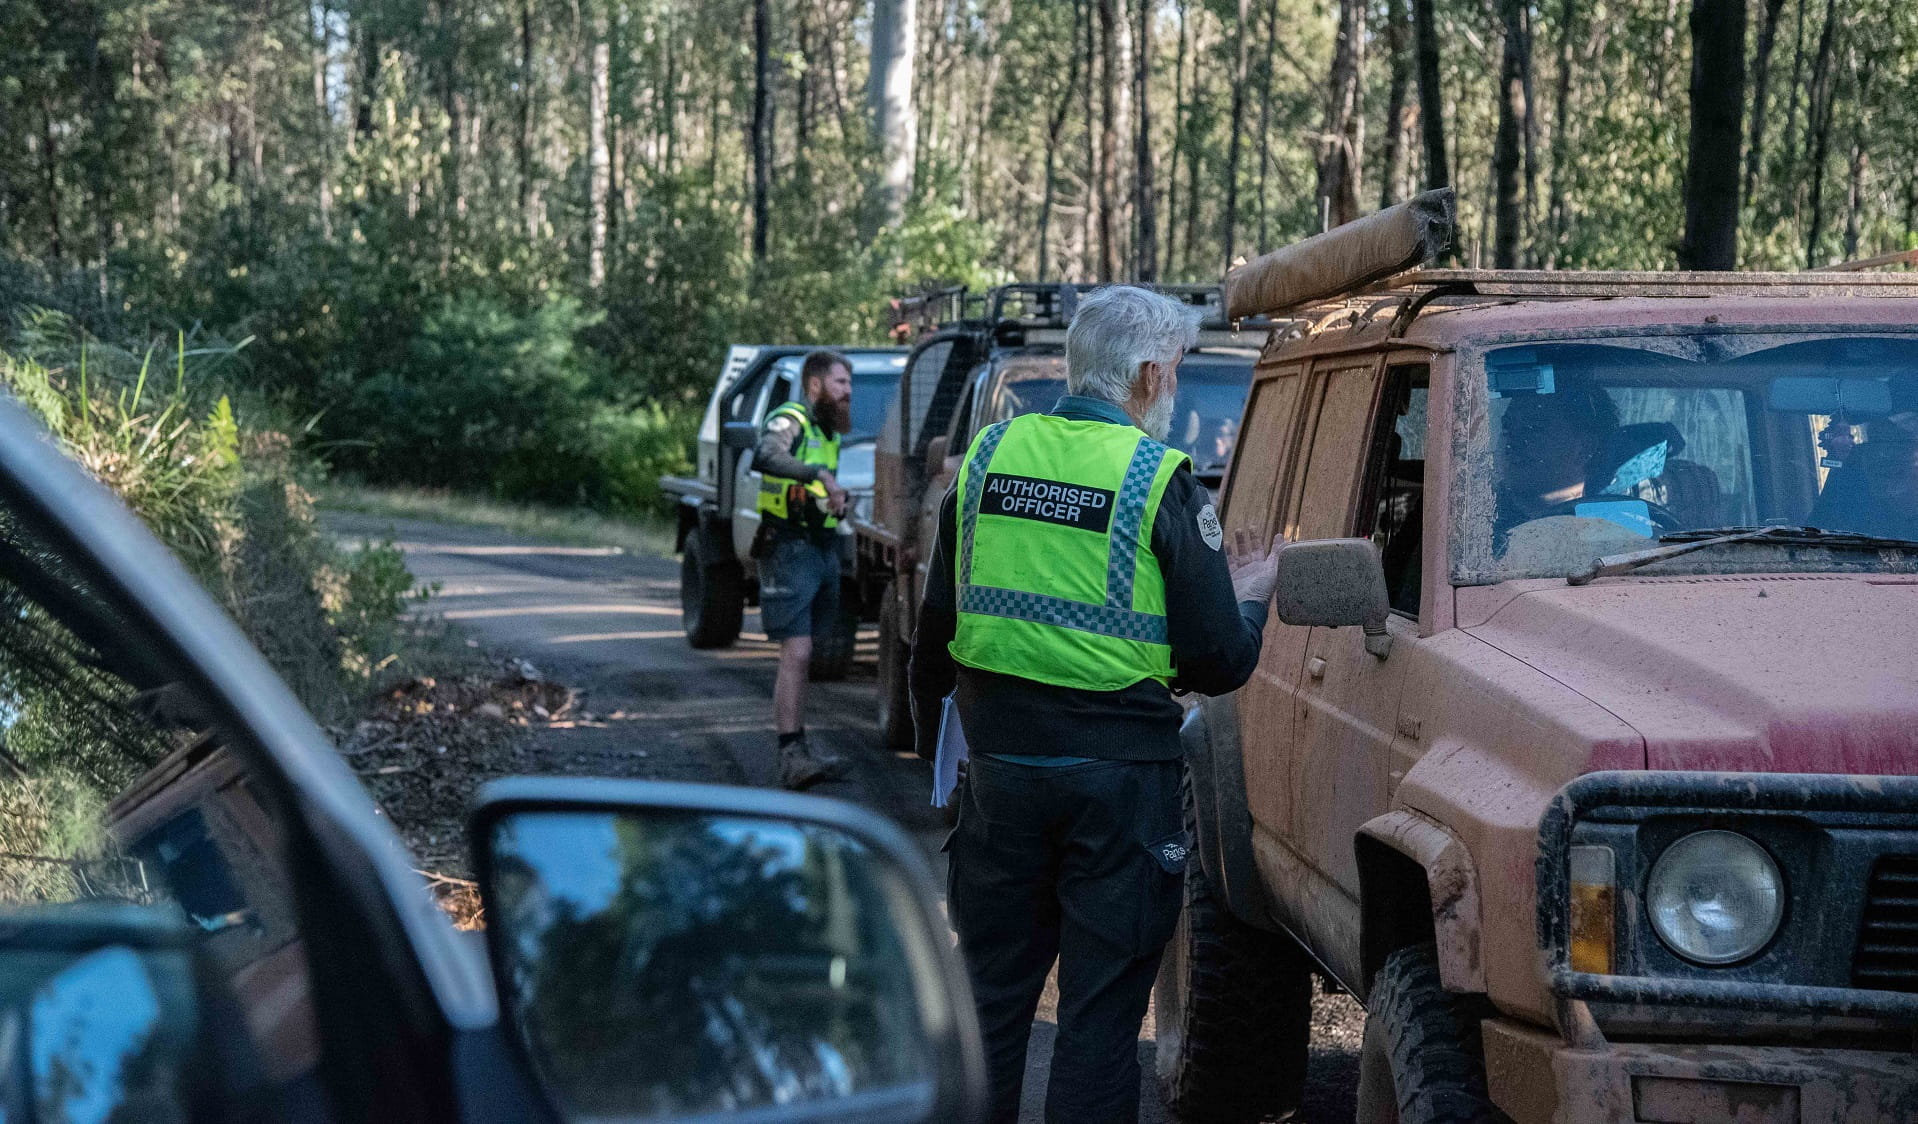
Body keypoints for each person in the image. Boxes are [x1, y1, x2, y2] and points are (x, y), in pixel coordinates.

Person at [908, 286, 1279, 1123]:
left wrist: (944, 756)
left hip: (999, 779)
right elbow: (1219, 663)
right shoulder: (1158, 479)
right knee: (1100, 1022)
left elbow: (933, 637)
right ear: (1150, 374)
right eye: (1177, 369)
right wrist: (1254, 594)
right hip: (1120, 794)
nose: (1175, 385)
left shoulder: (987, 459)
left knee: (991, 1007)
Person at [753, 350, 854, 790]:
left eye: (849, 384)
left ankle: (801, 749)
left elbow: (818, 490)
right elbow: (766, 455)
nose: (848, 392)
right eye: (840, 383)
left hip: (819, 547)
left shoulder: (827, 429)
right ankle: (790, 754)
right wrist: (818, 474)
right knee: (796, 653)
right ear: (815, 385)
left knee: (806, 654)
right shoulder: (791, 418)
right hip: (788, 548)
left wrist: (835, 500)